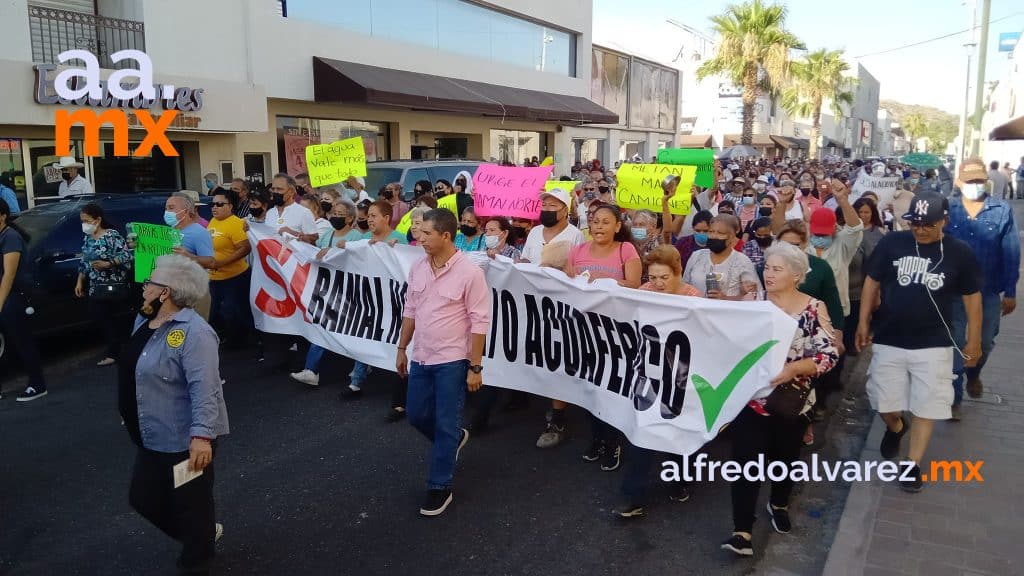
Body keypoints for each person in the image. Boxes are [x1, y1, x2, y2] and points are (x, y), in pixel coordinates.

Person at [856, 191, 982, 492]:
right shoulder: (892, 243)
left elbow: (972, 298)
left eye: (928, 224)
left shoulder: (959, 252)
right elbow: (872, 280)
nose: (921, 229)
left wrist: (973, 340)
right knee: (882, 400)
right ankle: (897, 427)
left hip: (934, 343)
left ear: (944, 221)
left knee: (926, 405)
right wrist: (863, 321)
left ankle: (911, 464)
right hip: (889, 336)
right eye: (915, 224)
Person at [722, 243, 838, 557]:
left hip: (791, 403)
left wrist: (796, 368)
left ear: (797, 275)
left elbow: (829, 354)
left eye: (777, 269)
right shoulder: (753, 302)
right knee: (745, 465)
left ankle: (779, 503)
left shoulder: (814, 308)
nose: (768, 273)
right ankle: (741, 531)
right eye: (767, 267)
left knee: (784, 461)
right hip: (751, 402)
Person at [122, 254, 228, 574]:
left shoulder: (196, 334)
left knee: (191, 505)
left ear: (165, 291)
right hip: (151, 432)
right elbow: (135, 369)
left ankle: (198, 553)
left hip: (185, 441)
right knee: (143, 498)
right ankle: (201, 537)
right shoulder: (145, 318)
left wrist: (201, 438)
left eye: (151, 281)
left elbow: (206, 389)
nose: (145, 286)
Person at [396, 208, 490, 516]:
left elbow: (479, 322)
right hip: (422, 356)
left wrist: (475, 367)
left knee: (446, 422)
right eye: (419, 233)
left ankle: (439, 486)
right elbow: (410, 308)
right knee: (416, 415)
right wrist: (401, 347)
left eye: (426, 234)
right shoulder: (418, 268)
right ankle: (450, 441)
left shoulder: (469, 273)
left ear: (446, 236)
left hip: (452, 361)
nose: (419, 238)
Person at [568, 203, 641, 471]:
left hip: (616, 333)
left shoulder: (626, 250)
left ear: (618, 227)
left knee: (613, 389)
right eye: (595, 221)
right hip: (584, 330)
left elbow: (634, 285)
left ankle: (614, 442)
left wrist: (602, 279)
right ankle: (597, 439)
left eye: (605, 222)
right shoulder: (577, 251)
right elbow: (565, 284)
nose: (598, 226)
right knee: (590, 389)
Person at [946, 158, 1020, 419]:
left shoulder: (1001, 210)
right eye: (970, 181)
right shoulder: (949, 209)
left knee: (985, 342)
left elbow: (1011, 250)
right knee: (955, 341)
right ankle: (954, 398)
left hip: (988, 290)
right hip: (953, 291)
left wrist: (1010, 291)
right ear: (959, 182)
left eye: (979, 180)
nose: (975, 185)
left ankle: (973, 374)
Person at [339, 200, 408, 401]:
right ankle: (356, 382)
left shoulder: (399, 238)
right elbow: (344, 248)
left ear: (386, 218)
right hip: (370, 299)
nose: (369, 220)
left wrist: (392, 249)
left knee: (395, 339)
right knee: (365, 336)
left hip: (394, 300)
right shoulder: (365, 239)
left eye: (373, 216)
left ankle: (400, 383)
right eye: (368, 216)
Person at [75, 202, 133, 366]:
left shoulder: (111, 236)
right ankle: (114, 349)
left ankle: (115, 352)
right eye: (82, 221)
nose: (84, 225)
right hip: (95, 285)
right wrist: (80, 280)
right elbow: (85, 260)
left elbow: (127, 256)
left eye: (86, 220)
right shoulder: (88, 237)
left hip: (113, 284)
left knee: (113, 318)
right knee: (99, 316)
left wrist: (109, 264)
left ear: (97, 220)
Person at [0, 201, 47, 401]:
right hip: (5, 297)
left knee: (23, 341)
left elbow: (8, 275)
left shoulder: (10, 237)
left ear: (2, 216)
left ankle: (37, 384)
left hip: (13, 297)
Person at [804, 179, 863, 320]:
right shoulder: (803, 246)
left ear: (835, 229)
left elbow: (855, 228)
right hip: (806, 311)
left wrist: (842, 200)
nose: (820, 237)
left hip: (835, 311)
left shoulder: (842, 245)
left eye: (825, 234)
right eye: (817, 233)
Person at [207, 189, 253, 349]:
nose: (215, 207)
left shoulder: (236, 223)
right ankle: (227, 338)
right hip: (215, 278)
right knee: (215, 312)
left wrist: (223, 262)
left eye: (220, 204)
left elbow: (245, 248)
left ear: (230, 206)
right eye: (212, 204)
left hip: (235, 277)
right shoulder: (212, 221)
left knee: (234, 312)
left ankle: (241, 344)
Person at [683, 214, 761, 299]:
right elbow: (684, 287)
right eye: (711, 232)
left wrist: (725, 298)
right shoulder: (696, 256)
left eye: (720, 233)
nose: (714, 236)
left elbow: (755, 297)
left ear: (731, 237)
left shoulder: (742, 261)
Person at [847, 197, 886, 353]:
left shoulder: (879, 233)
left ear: (873, 213)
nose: (863, 215)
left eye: (866, 212)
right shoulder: (848, 232)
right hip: (853, 286)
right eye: (860, 212)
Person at [520, 187, 584, 264]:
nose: (546, 209)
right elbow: (526, 258)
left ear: (565, 211)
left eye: (552, 205)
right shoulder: (534, 231)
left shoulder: (576, 235)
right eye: (543, 205)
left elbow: (579, 267)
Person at [266, 173, 318, 244]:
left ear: (290, 191)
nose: (275, 192)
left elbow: (314, 240)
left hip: (295, 254)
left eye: (279, 189)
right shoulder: (270, 213)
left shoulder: (304, 212)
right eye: (273, 189)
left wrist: (293, 233)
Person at [629, 209, 662, 282]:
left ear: (653, 227)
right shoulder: (629, 244)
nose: (637, 227)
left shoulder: (659, 246)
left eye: (641, 224)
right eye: (635, 224)